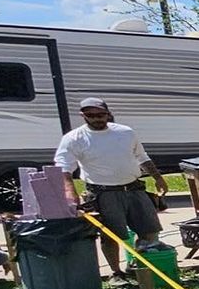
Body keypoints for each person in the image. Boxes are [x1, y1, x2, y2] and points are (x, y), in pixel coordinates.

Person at [54, 97, 168, 279]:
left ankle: (138, 267)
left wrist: (158, 178)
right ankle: (116, 273)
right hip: (103, 193)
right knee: (111, 236)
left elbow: (142, 156)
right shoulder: (74, 138)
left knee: (150, 230)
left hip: (134, 189)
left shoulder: (125, 132)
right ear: (83, 115)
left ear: (108, 114)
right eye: (91, 115)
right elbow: (64, 167)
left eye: (101, 114)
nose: (97, 118)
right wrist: (70, 191)